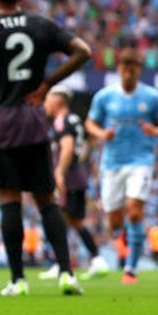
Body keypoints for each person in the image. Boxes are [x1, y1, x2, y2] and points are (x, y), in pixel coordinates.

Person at [0, 0, 91, 297]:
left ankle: (18, 280)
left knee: (9, 200)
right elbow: (83, 51)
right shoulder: (41, 25)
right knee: (46, 198)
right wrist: (47, 83)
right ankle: (66, 273)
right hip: (33, 119)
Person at [85, 46, 158, 285]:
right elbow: (90, 124)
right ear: (119, 69)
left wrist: (155, 130)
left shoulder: (152, 97)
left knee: (135, 212)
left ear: (139, 71)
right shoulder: (104, 97)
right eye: (125, 69)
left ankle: (131, 269)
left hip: (141, 161)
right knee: (115, 219)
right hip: (112, 163)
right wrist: (102, 134)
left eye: (133, 69)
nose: (128, 74)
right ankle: (128, 237)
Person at [40, 87, 110, 280]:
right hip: (77, 175)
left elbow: (68, 145)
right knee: (74, 221)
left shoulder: (62, 121)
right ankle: (96, 259)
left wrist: (60, 172)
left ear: (57, 100)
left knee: (57, 219)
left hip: (69, 177)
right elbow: (85, 145)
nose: (45, 104)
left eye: (48, 99)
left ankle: (61, 262)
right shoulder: (75, 120)